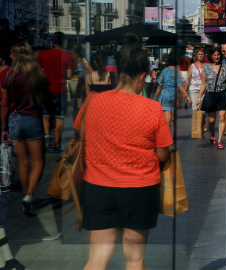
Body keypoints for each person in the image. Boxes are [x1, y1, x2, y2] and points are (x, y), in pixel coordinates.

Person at [77, 33, 173, 270]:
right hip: (139, 190)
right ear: (142, 76)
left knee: (97, 259)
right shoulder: (153, 108)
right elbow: (163, 154)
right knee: (134, 259)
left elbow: (82, 136)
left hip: (97, 187)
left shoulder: (92, 101)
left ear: (118, 72)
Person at [1, 42, 54, 217]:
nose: (10, 56)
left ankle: (28, 199)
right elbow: (47, 101)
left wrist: (3, 127)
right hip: (33, 119)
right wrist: (51, 118)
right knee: (39, 162)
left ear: (16, 55)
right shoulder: (39, 74)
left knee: (23, 163)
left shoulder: (7, 76)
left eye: (11, 54)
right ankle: (29, 196)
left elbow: (5, 104)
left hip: (14, 120)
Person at [37, 31, 74, 153]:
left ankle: (47, 135)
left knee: (46, 115)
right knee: (59, 117)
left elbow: (38, 73)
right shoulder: (67, 56)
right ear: (63, 42)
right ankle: (57, 145)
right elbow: (69, 75)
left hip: (46, 89)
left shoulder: (43, 55)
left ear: (52, 42)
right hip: (60, 90)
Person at [196, 47, 226, 149]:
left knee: (222, 117)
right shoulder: (206, 68)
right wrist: (199, 98)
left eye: (218, 55)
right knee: (211, 120)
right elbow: (203, 84)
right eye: (214, 55)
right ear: (211, 56)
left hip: (223, 94)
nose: (217, 57)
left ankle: (219, 141)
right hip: (210, 94)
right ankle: (212, 134)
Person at [154, 53, 190, 123]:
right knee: (170, 113)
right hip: (173, 94)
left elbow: (159, 86)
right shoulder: (176, 72)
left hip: (165, 94)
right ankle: (168, 130)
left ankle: (167, 131)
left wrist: (155, 98)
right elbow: (180, 86)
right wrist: (187, 96)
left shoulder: (164, 71)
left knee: (166, 116)